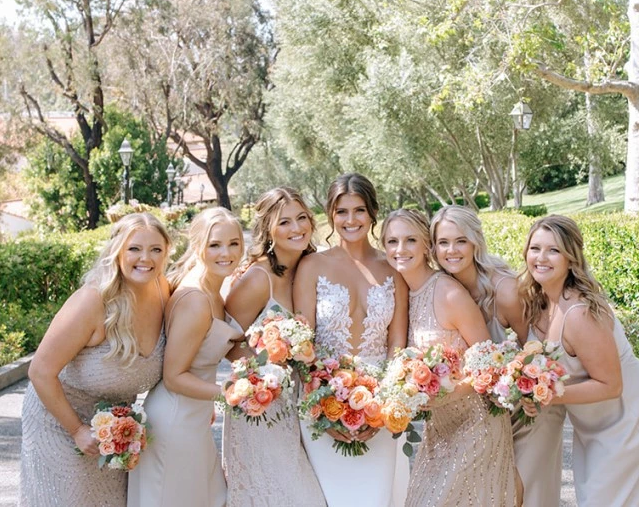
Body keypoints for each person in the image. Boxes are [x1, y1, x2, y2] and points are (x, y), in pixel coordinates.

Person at [19, 213, 172, 507]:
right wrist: (77, 429)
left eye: (155, 249)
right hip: (60, 422)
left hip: (116, 432)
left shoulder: (163, 291)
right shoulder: (92, 301)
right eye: (134, 249)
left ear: (166, 253)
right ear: (117, 251)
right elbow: (40, 371)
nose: (146, 258)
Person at [520, 215, 639, 507]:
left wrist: (544, 395)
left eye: (553, 250)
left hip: (627, 414)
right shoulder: (540, 303)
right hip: (591, 420)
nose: (541, 257)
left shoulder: (579, 313)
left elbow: (611, 385)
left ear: (571, 258)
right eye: (535, 248)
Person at [382, 208, 517, 507]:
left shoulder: (449, 294)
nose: (400, 249)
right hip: (438, 429)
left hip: (476, 425)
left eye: (410, 240)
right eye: (392, 241)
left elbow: (490, 364)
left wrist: (444, 394)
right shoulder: (404, 293)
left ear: (426, 245)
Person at [431, 205, 562, 507]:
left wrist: (519, 387)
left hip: (530, 407)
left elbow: (537, 348)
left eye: (461, 241)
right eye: (443, 242)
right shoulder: (442, 287)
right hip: (488, 411)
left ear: (475, 242)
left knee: (523, 491)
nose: (452, 250)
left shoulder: (504, 290)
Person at [293, 173, 409, 507]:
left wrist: (384, 404)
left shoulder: (393, 267)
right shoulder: (311, 266)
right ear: (330, 214)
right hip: (321, 398)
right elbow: (302, 343)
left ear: (372, 212)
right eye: (341, 211)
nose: (350, 220)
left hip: (381, 401)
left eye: (359, 210)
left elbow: (396, 343)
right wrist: (322, 407)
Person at [128, 208, 244, 507]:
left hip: (194, 416)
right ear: (197, 245)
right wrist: (233, 393)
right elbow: (174, 376)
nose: (227, 253)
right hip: (175, 419)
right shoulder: (196, 299)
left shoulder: (213, 290)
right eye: (215, 244)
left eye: (234, 243)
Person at [221, 187, 326, 507]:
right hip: (264, 406)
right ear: (268, 229)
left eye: (302, 218)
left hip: (305, 403)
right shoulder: (258, 278)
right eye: (284, 222)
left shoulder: (315, 266)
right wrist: (266, 369)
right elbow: (227, 342)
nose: (297, 228)